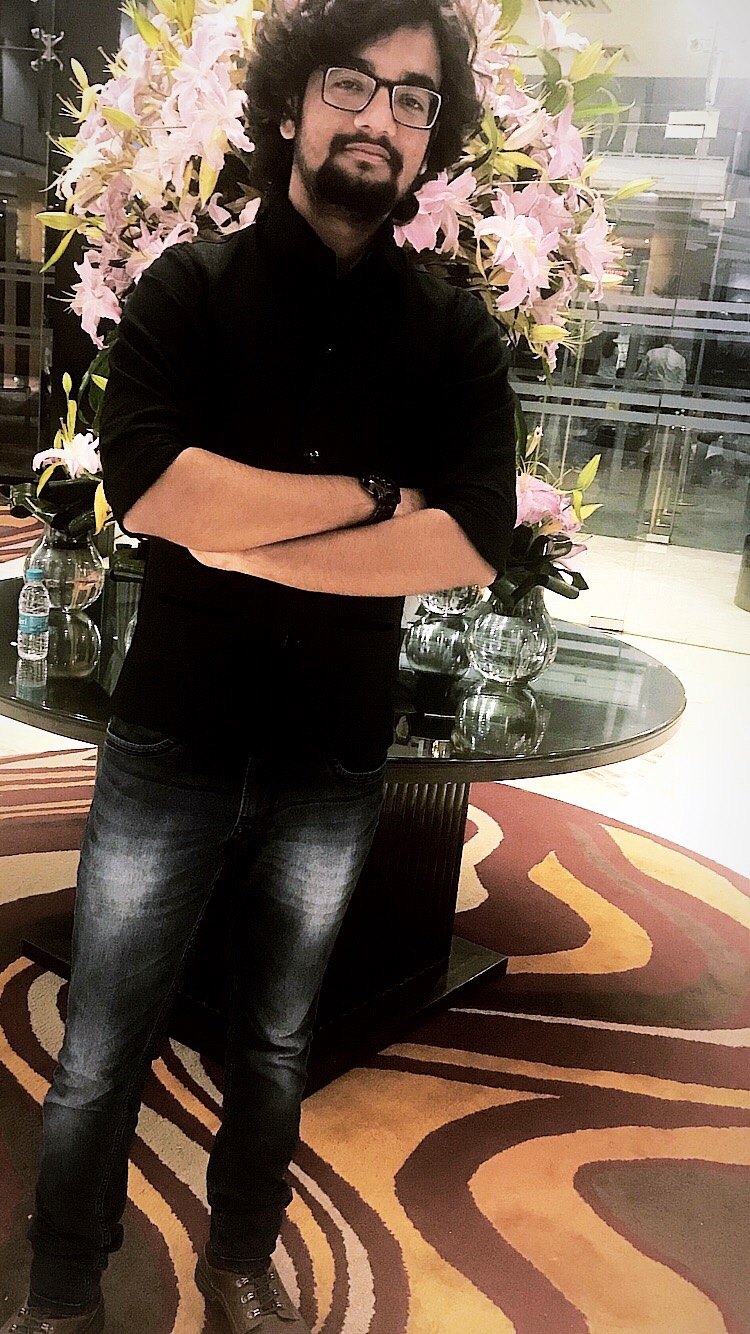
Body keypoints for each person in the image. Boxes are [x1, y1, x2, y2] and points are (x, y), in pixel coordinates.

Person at [4, 1, 516, 1330]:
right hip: (173, 735)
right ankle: (61, 1289)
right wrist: (369, 495)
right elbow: (155, 492)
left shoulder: (452, 333)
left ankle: (239, 1257)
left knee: (278, 1043)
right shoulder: (190, 288)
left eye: (412, 99)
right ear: (291, 106)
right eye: (353, 84)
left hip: (331, 755)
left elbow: (468, 540)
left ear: (430, 139)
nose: (380, 117)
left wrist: (258, 541)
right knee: (104, 1040)